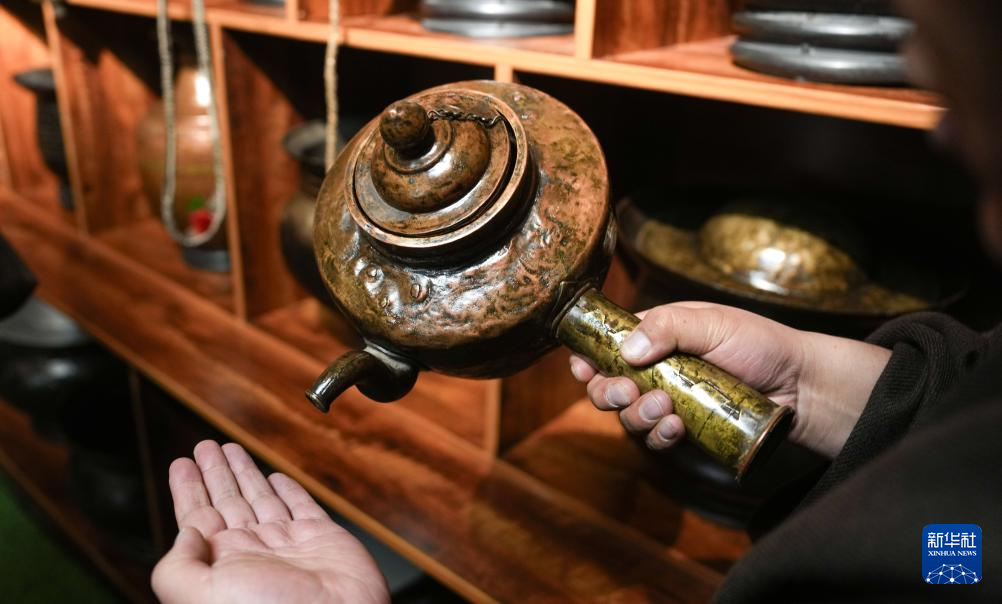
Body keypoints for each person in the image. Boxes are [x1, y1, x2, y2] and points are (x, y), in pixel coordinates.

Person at [151, 1, 1002, 602]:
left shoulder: (942, 556)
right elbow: (958, 497)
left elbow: (947, 557)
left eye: (938, 47)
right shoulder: (957, 531)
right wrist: (814, 383)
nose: (930, 98)